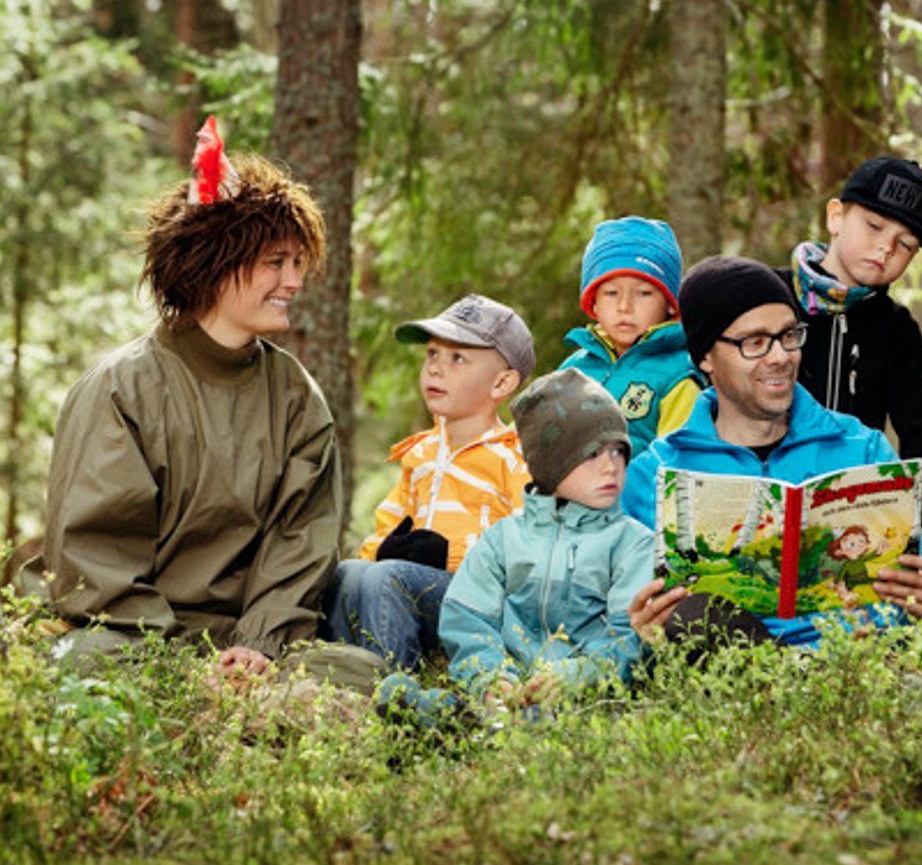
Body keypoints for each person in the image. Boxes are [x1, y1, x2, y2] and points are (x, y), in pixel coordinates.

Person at [43, 118, 379, 691]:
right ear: (215, 264)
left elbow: (300, 544)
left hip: (247, 643)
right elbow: (95, 558)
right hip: (133, 636)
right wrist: (180, 663)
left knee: (360, 673)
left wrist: (256, 647)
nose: (294, 281)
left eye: (299, 263)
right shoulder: (121, 387)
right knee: (83, 663)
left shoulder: (296, 397)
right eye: (277, 261)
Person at [622, 255, 922, 650]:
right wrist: (641, 632)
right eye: (754, 343)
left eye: (789, 335)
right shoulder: (654, 475)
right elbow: (626, 623)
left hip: (856, 669)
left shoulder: (863, 449)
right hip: (730, 682)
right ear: (705, 356)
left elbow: (918, 588)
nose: (780, 356)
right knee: (695, 617)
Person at [376, 369, 653, 721]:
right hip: (508, 692)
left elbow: (629, 636)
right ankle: (473, 717)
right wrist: (491, 678)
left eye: (618, 452)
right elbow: (468, 619)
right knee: (398, 690)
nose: (611, 468)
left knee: (564, 720)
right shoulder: (503, 539)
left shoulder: (633, 544)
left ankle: (471, 727)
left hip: (584, 699)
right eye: (591, 454)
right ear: (549, 465)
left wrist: (575, 677)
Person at [321, 294, 535, 667]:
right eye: (432, 354)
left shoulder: (513, 457)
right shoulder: (420, 454)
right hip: (411, 586)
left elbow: (526, 548)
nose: (436, 368)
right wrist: (383, 550)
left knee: (388, 578)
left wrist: (447, 557)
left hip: (477, 600)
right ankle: (345, 677)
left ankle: (391, 686)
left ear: (501, 383)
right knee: (347, 573)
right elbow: (389, 523)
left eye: (457, 358)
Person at [785, 156, 922, 545]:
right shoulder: (769, 297)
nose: (885, 248)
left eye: (905, 245)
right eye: (874, 226)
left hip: (852, 517)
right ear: (835, 217)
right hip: (768, 501)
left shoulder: (896, 329)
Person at [560, 216, 703, 458]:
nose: (624, 306)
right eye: (611, 293)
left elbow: (675, 462)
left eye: (644, 293)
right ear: (593, 302)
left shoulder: (678, 377)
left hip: (637, 495)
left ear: (670, 303)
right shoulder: (573, 368)